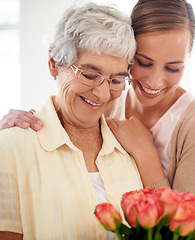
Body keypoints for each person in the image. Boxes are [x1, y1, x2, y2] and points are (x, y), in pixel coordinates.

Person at [0, 0, 195, 199]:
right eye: (143, 63)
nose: (155, 82)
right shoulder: (106, 101)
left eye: (173, 67)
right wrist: (22, 126)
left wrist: (146, 156)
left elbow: (193, 232)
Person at [0, 2, 143, 240]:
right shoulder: (10, 149)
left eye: (116, 80)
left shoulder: (130, 149)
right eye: (89, 75)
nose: (103, 94)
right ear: (54, 63)